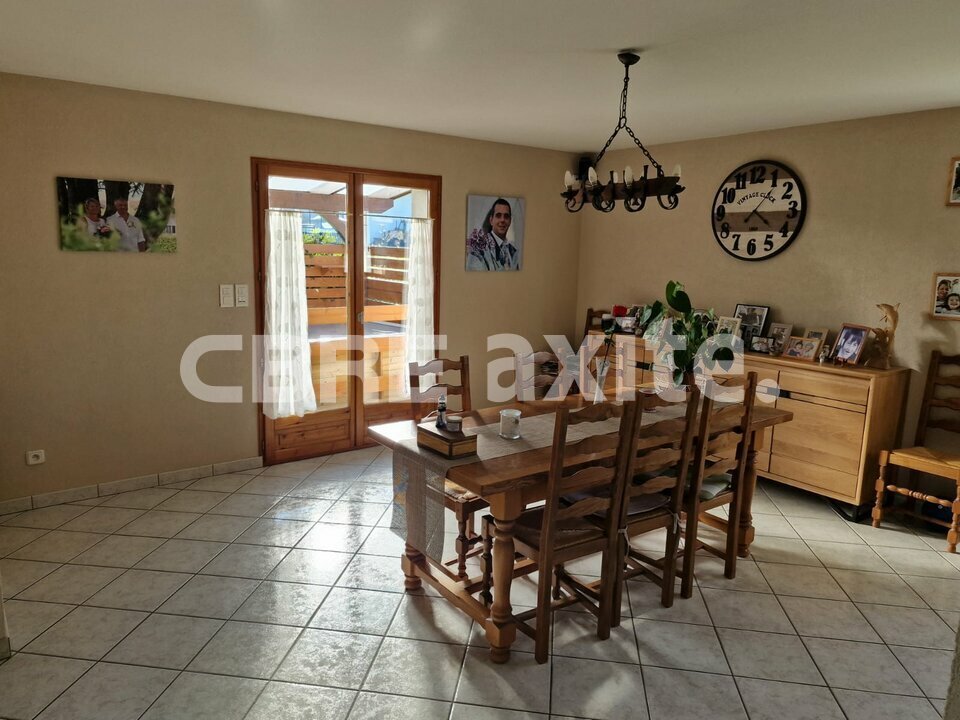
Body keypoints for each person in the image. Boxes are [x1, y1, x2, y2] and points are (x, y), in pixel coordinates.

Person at [466, 197, 520, 271]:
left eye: (506, 216)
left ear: (510, 221)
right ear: (491, 220)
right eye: (498, 215)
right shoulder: (477, 250)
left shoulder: (513, 252)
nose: (502, 220)